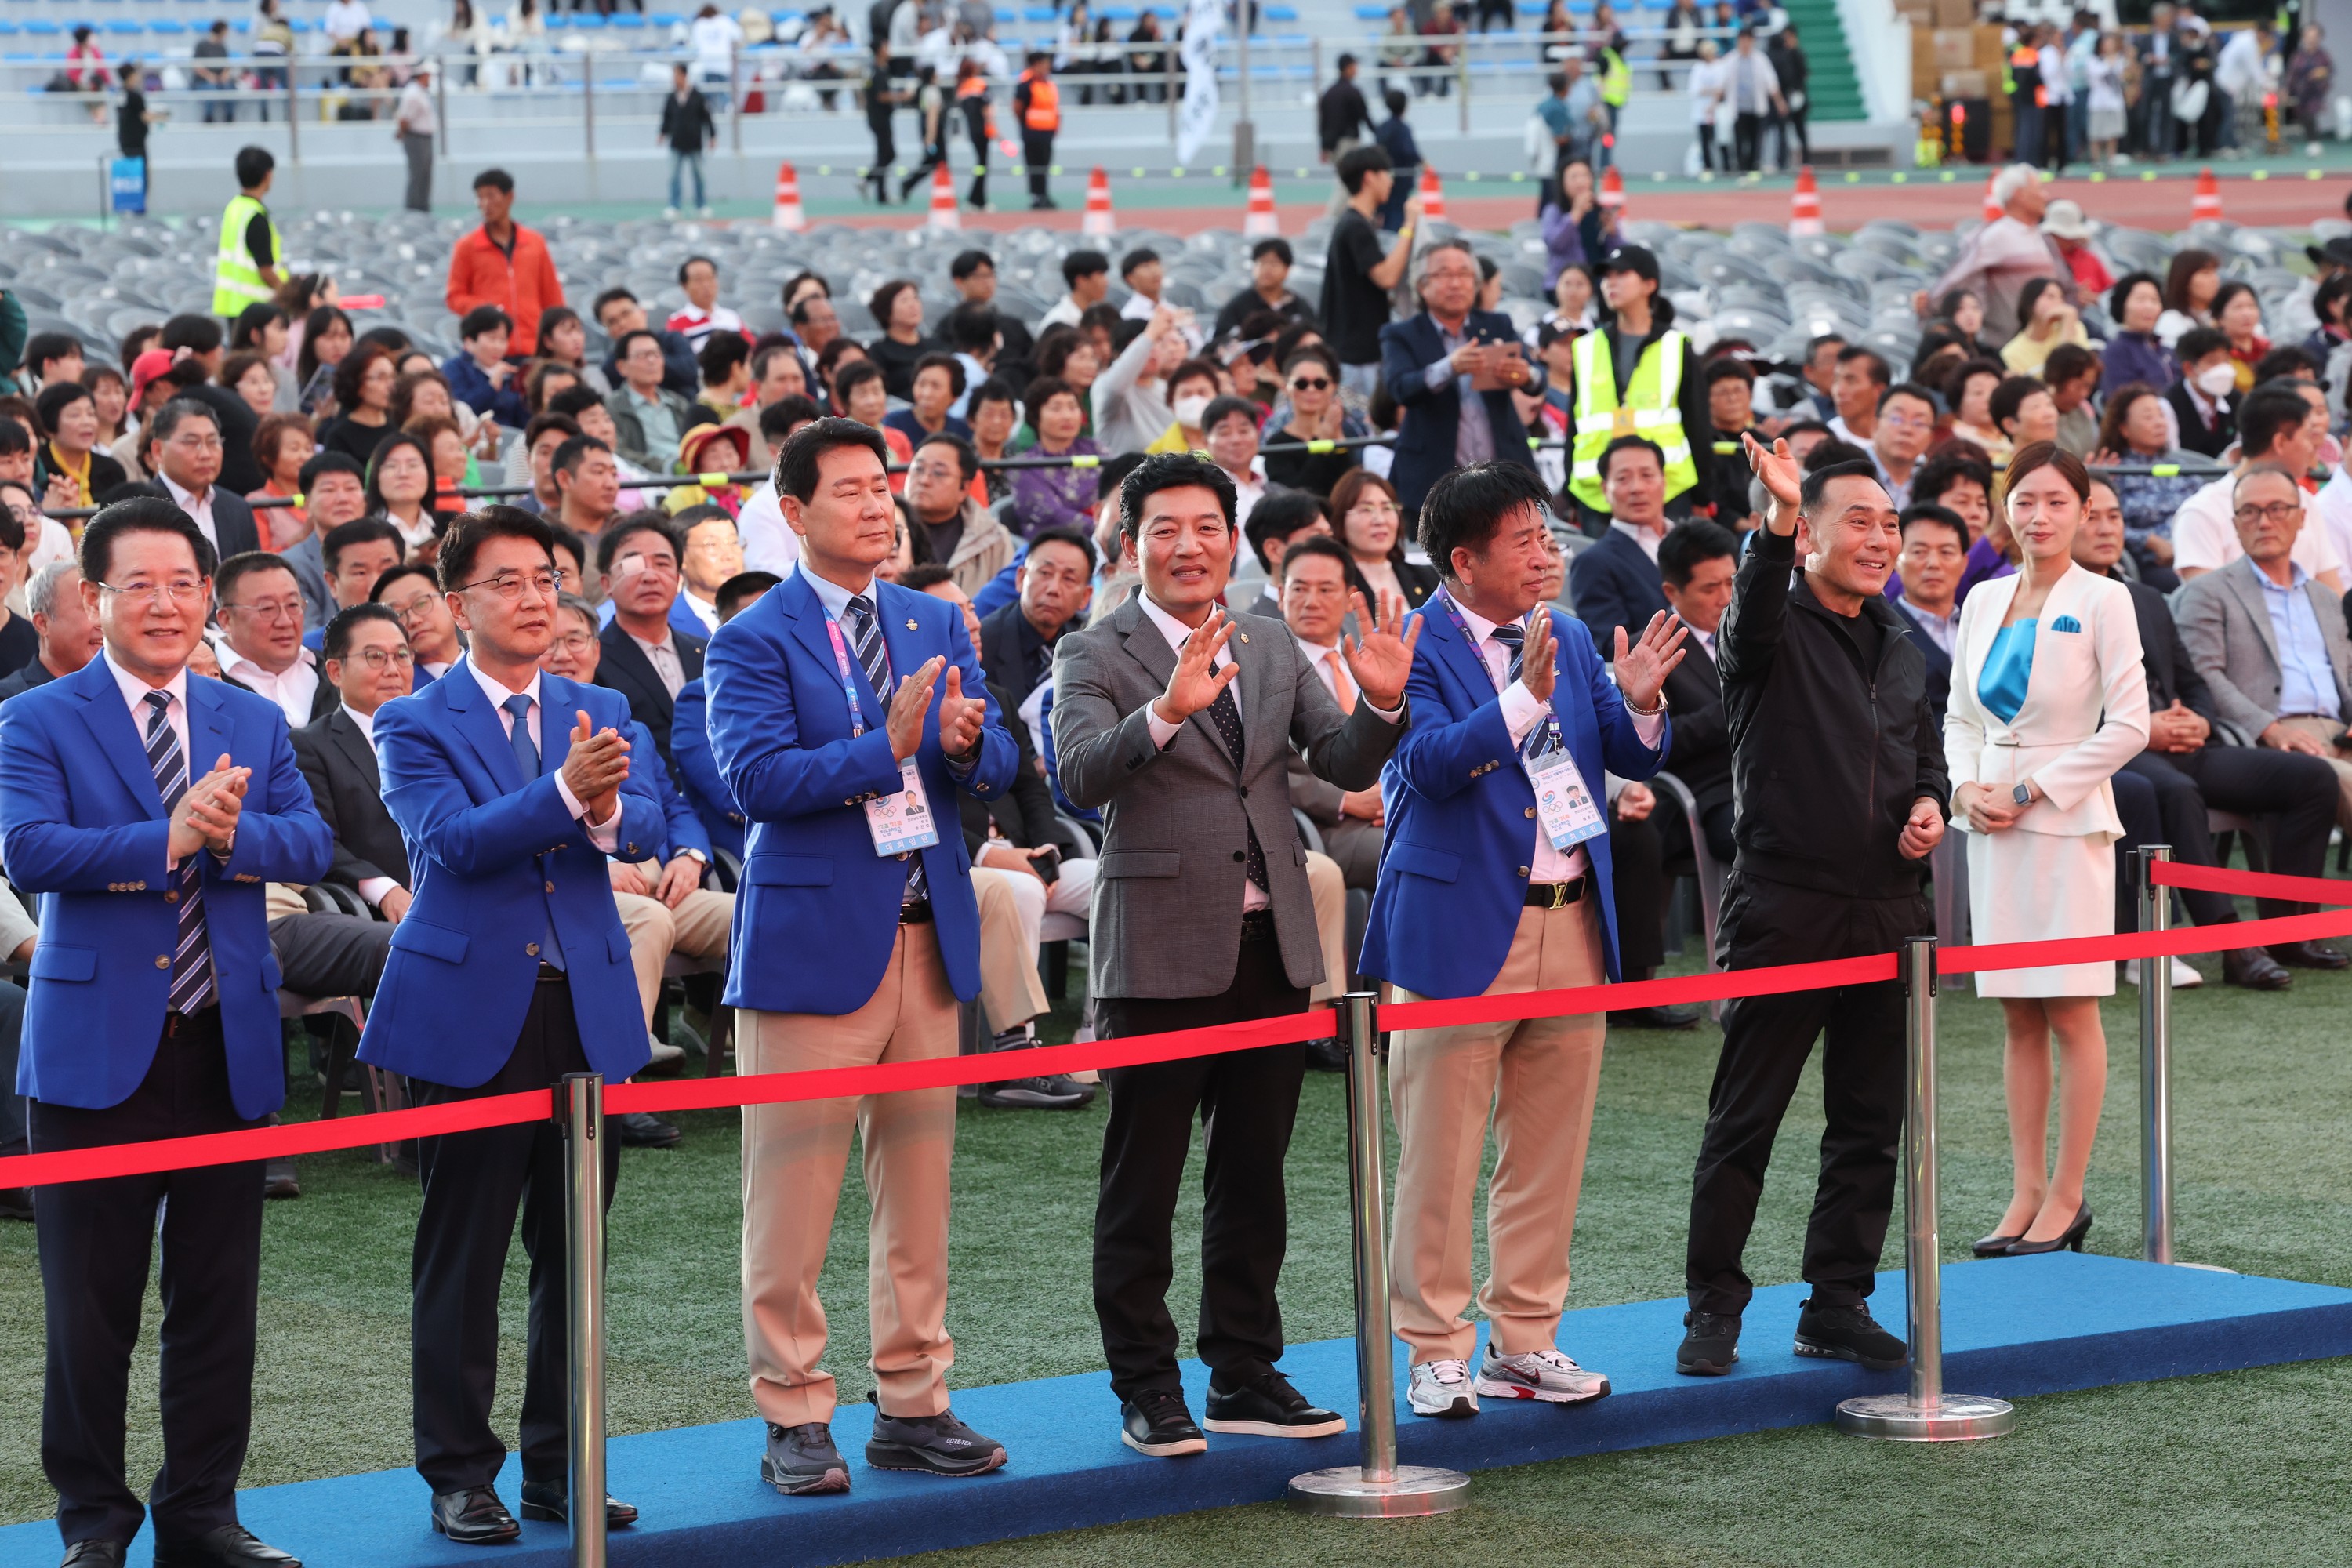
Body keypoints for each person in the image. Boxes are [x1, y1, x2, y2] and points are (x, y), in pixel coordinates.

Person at [1051, 450, 1414, 1459]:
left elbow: (1332, 760)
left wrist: (1382, 707)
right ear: (1131, 544)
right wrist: (1165, 708)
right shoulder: (1095, 649)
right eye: (1164, 528)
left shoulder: (1267, 638)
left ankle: (1245, 1371)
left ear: (1232, 534)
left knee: (1255, 1177)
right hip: (1160, 948)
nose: (1187, 546)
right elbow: (1080, 775)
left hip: (1273, 945)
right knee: (1145, 1179)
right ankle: (1147, 1384)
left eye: (1206, 525)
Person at [0, 496, 328, 1568]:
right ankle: (94, 1525)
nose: (165, 603)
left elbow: (309, 841)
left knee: (218, 1307)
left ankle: (202, 1516)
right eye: (138, 584)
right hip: (96, 1056)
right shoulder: (38, 718)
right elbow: (31, 851)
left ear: (207, 599)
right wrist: (167, 836)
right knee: (91, 1314)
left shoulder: (246, 718)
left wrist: (231, 841)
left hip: (224, 1046)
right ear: (95, 600)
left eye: (183, 584)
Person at [702, 419, 1017, 1494]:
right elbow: (754, 783)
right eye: (850, 492)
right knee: (791, 1201)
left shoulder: (933, 615)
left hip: (929, 937)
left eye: (883, 489)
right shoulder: (752, 637)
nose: (878, 508)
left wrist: (971, 742)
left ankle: (913, 1402)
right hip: (811, 949)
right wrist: (879, 749)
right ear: (793, 514)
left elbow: (1000, 749)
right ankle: (792, 1411)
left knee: (919, 1194)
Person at [1360, 459, 1678, 1417]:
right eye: (1526, 540)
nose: (1548, 553)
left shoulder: (1573, 635)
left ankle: (1525, 1338)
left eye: (1549, 535)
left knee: (1549, 1149)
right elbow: (1418, 765)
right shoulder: (1414, 643)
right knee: (1439, 1154)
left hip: (1572, 918)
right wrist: (1517, 702)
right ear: (1463, 560)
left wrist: (1644, 700)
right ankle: (1433, 1347)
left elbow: (1621, 748)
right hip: (1460, 929)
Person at [1677, 442, 1948, 1379]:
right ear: (1811, 536)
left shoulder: (1902, 640)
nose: (1881, 540)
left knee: (1871, 1120)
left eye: (1891, 524)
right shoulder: (1770, 623)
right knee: (1746, 1117)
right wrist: (1775, 518)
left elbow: (1925, 754)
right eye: (1859, 522)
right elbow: (1746, 619)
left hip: (1890, 909)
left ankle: (1838, 1301)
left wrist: (1929, 805)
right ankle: (1713, 1302)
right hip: (1785, 906)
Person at [1944, 441, 2148, 1255]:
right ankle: (2024, 1193)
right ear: (2006, 507)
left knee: (2069, 1009)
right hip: (1990, 824)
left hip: (2064, 823)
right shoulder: (1983, 598)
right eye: (2025, 500)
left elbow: (2130, 725)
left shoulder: (2105, 598)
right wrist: (1964, 790)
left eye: (2057, 502)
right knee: (2017, 1017)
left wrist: (2032, 789)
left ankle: (2068, 1196)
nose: (2039, 516)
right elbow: (1960, 717)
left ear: (2083, 509)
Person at [2073, 478, 2325, 990]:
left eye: (2115, 517)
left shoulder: (2147, 597)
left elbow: (2192, 680)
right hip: (2115, 751)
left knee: (2311, 779)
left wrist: (2203, 720)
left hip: (2185, 741)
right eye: (2093, 517)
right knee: (2175, 791)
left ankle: (2288, 931)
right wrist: (2143, 729)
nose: (2107, 528)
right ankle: (2229, 942)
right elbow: (2056, 708)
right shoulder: (2052, 605)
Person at [2177, 463, 2352, 835]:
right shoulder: (2208, 593)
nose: (2264, 522)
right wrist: (2268, 728)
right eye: (2250, 511)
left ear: (2302, 517)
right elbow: (2204, 675)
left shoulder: (2323, 597)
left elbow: (2348, 671)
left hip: (2340, 730)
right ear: (2236, 523)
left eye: (2277, 509)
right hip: (2271, 739)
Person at [1381, 240, 1537, 522]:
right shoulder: (1402, 334)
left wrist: (1525, 374)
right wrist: (1449, 367)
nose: (1456, 283)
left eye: (1464, 274)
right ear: (1422, 285)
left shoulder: (1498, 324)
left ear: (1476, 283)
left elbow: (1538, 380)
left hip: (1503, 475)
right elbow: (1400, 387)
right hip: (1432, 478)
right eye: (1444, 275)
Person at [292, 602, 418, 926]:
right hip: (381, 913)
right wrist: (384, 889)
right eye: (375, 657)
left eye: (401, 655)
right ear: (335, 671)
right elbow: (319, 840)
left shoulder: (444, 732)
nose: (393, 669)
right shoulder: (310, 746)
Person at [1566, 245, 1705, 525]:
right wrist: (1572, 496)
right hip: (1597, 492)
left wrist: (1703, 496)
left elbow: (1698, 423)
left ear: (1649, 285)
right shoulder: (1585, 347)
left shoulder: (1676, 346)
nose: (1610, 283)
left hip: (1667, 490)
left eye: (1621, 274)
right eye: (1606, 276)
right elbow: (1575, 423)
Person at [2173, 385, 2341, 591]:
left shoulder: (2305, 501)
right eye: (2307, 437)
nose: (2313, 449)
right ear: (2280, 442)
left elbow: (2333, 597)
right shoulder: (2202, 511)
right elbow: (2203, 606)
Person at [591, 514, 707, 782]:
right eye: (632, 565)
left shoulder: (706, 652)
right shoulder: (594, 659)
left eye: (662, 563)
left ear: (679, 579)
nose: (649, 576)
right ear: (606, 584)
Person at [1656, 519, 1738, 866]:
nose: (1726, 597)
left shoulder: (1762, 632)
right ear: (1673, 592)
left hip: (1787, 778)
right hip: (1713, 795)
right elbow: (1657, 742)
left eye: (1732, 581)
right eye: (1710, 589)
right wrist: (1735, 707)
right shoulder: (1650, 651)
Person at [1322, 147, 1422, 399]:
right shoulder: (1356, 226)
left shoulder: (1354, 222)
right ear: (1369, 178)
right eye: (1386, 174)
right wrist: (1409, 226)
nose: (1391, 181)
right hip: (1358, 357)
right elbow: (1386, 277)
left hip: (1353, 350)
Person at [1569, 436, 1675, 652]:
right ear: (1605, 489)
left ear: (1664, 482)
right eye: (1623, 478)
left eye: (1647, 475)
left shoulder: (1697, 542)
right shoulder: (1593, 562)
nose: (1637, 488)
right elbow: (1610, 648)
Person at [445, 169, 564, 358]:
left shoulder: (535, 243)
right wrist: (488, 310)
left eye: (491, 196)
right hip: (491, 352)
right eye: (480, 198)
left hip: (533, 348)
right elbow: (454, 296)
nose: (485, 204)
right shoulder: (466, 247)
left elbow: (552, 297)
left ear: (509, 197)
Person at [212, 550, 334, 727]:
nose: (285, 622)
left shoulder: (332, 673)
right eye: (267, 609)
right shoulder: (206, 681)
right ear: (226, 619)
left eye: (293, 605)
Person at [144, 400, 263, 562]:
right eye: (192, 442)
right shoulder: (141, 507)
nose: (206, 454)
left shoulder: (237, 509)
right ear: (158, 450)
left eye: (213, 442)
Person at [900, 433, 1017, 599]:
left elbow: (1004, 600)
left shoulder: (993, 538)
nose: (924, 480)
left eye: (939, 473)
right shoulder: (882, 526)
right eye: (918, 469)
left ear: (964, 488)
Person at [0, 561, 103, 702]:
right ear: (42, 624)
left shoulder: (124, 692)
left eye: (102, 608)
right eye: (87, 608)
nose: (101, 621)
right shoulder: (11, 701)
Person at [606, 332, 699, 474]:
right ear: (622, 367)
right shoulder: (612, 407)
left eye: (656, 354)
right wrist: (668, 467)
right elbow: (617, 452)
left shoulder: (678, 402)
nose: (652, 361)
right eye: (642, 356)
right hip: (647, 482)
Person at [212, 147, 285, 321]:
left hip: (234, 307)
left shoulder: (234, 208)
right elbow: (266, 271)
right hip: (256, 311)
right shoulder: (255, 216)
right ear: (267, 175)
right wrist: (289, 296)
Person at [441, 306, 528, 430]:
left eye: (503, 340)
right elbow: (460, 410)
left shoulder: (510, 372)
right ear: (470, 341)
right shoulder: (454, 368)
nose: (498, 346)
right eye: (492, 338)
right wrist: (491, 387)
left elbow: (521, 421)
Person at [1216, 240, 1319, 339]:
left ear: (1287, 270)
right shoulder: (1238, 305)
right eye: (1262, 262)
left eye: (1274, 263)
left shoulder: (1299, 306)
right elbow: (1219, 340)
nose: (1267, 269)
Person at [2166, 326, 2239, 460]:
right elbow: (2171, 456)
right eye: (2213, 362)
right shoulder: (2169, 404)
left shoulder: (2236, 399)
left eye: (2226, 361)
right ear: (2189, 368)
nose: (2222, 369)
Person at [657, 64, 717, 220]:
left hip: (694, 143)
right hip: (677, 142)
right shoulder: (672, 97)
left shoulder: (697, 96)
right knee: (674, 176)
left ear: (684, 76)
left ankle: (701, 205)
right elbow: (666, 117)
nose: (674, 79)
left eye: (676, 75)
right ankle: (674, 205)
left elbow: (707, 118)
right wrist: (662, 133)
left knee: (699, 175)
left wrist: (712, 136)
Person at [1013, 51, 1059, 211]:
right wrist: (1025, 125)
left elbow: (1054, 107)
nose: (1048, 66)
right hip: (1032, 131)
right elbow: (1018, 107)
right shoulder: (1026, 83)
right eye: (1045, 63)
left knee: (1045, 165)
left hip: (1047, 131)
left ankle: (1044, 194)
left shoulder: (1048, 83)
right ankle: (1036, 196)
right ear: (1037, 64)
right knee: (1034, 165)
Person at [394, 60, 437, 212]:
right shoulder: (412, 94)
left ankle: (422, 208)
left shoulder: (419, 92)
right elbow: (404, 120)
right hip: (416, 138)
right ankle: (413, 210)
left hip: (423, 137)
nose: (430, 79)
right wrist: (402, 134)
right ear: (422, 75)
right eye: (428, 75)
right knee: (417, 175)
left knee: (424, 175)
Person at [1319, 53, 1376, 164]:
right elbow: (1364, 116)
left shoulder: (1328, 93)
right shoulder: (1353, 92)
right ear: (1348, 68)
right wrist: (1378, 133)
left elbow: (1323, 122)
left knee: (1341, 176)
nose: (1356, 69)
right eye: (1354, 66)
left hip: (1333, 145)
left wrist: (1324, 147)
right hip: (1349, 143)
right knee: (1350, 177)